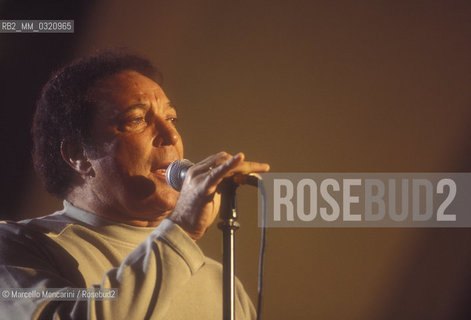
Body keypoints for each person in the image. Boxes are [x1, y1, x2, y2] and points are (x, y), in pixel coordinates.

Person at [0, 50, 270, 319]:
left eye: (172, 118)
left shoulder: (220, 283)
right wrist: (182, 229)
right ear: (79, 155)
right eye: (138, 120)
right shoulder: (19, 246)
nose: (171, 135)